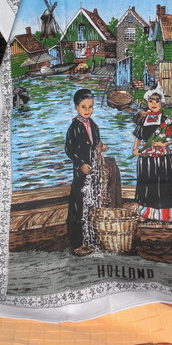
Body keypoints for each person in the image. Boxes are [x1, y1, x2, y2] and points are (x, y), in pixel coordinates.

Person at [65, 88, 107, 255]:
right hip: (80, 173)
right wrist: (80, 164)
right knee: (78, 206)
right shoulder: (74, 127)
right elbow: (69, 150)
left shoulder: (94, 125)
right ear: (77, 107)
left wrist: (100, 147)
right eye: (84, 107)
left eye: (90, 106)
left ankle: (90, 239)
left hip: (93, 170)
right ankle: (76, 243)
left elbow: (95, 143)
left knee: (91, 204)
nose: (87, 110)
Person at [132, 84, 172, 221]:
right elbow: (138, 136)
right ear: (147, 102)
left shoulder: (166, 120)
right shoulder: (144, 119)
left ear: (161, 103)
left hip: (162, 155)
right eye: (151, 101)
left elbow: (170, 137)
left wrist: (163, 144)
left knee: (163, 183)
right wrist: (135, 149)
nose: (154, 104)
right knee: (146, 183)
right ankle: (145, 212)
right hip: (146, 155)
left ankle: (168, 213)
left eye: (157, 101)